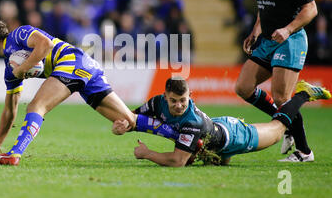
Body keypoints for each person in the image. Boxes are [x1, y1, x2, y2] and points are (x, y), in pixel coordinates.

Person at [0, 18, 137, 166]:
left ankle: (14, 154)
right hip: (86, 67)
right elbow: (10, 109)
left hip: (72, 60)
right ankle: (163, 123)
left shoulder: (18, 34)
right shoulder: (10, 70)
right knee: (128, 121)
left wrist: (23, 68)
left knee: (36, 107)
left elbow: (46, 44)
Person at [234, 0, 319, 162]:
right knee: (243, 87)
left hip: (290, 40)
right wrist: (255, 31)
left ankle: (304, 151)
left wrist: (288, 29)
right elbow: (265, 8)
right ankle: (286, 122)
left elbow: (311, 8)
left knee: (281, 97)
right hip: (268, 40)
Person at [112, 77, 330, 167]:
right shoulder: (157, 102)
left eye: (183, 100)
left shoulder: (191, 121)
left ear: (190, 96)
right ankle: (218, 155)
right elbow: (132, 116)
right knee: (217, 163)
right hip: (213, 133)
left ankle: (303, 94)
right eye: (174, 101)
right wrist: (124, 125)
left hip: (233, 136)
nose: (179, 105)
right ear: (165, 96)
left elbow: (177, 161)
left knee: (277, 127)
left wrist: (147, 154)